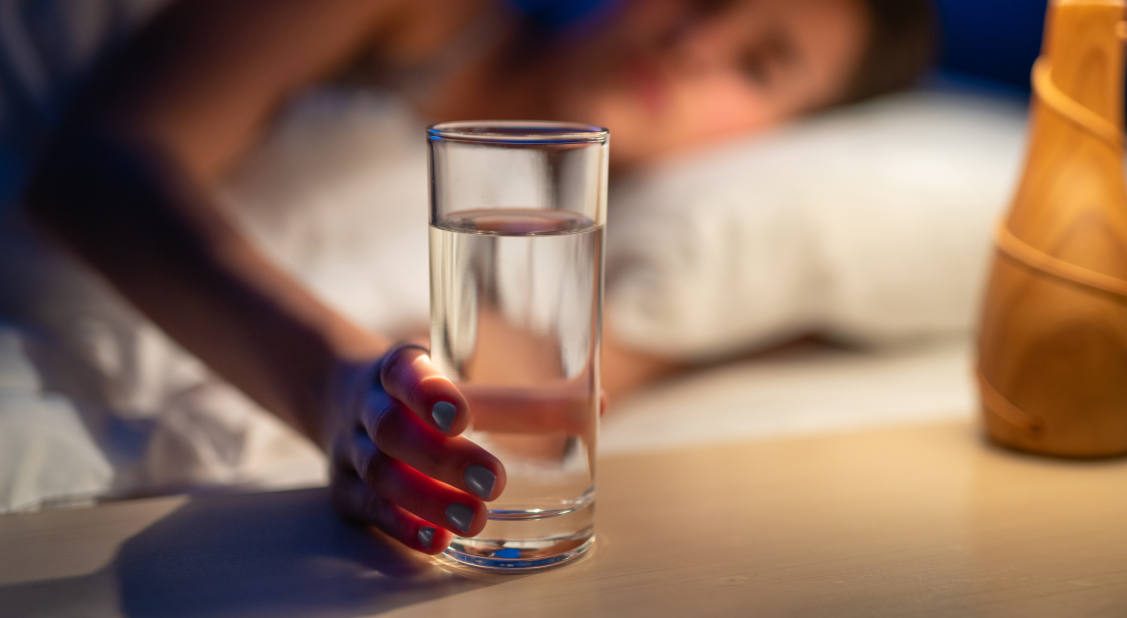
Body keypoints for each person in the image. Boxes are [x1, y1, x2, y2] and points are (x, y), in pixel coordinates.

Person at [22, 0, 933, 554]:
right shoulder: (423, 16)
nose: (698, 41)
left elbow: (548, 386)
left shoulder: (598, 260)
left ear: (785, 137)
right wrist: (331, 387)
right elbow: (97, 169)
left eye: (758, 64)